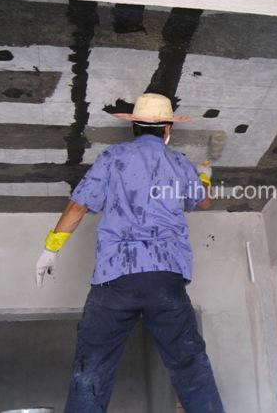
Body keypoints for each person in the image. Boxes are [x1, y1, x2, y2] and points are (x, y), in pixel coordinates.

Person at [35, 93, 225, 413]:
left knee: (92, 368)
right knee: (190, 366)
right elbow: (203, 201)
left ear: (134, 127)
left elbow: (79, 205)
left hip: (115, 279)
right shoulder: (180, 163)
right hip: (165, 279)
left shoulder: (112, 158)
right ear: (168, 130)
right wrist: (204, 176)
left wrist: (50, 249)